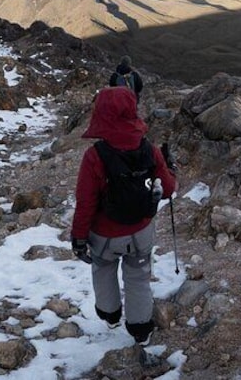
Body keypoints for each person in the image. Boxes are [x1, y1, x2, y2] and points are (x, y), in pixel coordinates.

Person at [71, 87, 176, 345]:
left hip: (105, 235)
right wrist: (169, 170)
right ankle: (141, 330)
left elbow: (86, 203)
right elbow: (169, 189)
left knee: (104, 268)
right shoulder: (150, 149)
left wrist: (79, 238)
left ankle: (110, 315)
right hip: (141, 231)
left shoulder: (95, 155)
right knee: (138, 276)